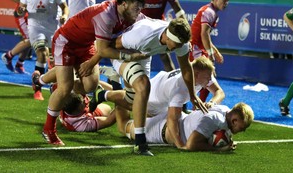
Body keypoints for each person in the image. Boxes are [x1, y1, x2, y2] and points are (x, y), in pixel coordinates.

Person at [38, 0, 148, 147]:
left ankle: (58, 77)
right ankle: (49, 129)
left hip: (86, 44)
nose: (138, 11)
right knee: (65, 88)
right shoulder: (106, 14)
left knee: (90, 85)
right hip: (66, 41)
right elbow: (104, 49)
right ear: (124, 4)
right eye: (136, 7)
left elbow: (144, 24)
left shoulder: (129, 14)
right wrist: (131, 56)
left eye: (140, 8)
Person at [90, 17, 208, 156]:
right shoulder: (142, 35)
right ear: (167, 36)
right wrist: (91, 63)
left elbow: (186, 69)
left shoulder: (179, 43)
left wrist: (193, 96)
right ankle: (140, 143)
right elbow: (107, 47)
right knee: (143, 84)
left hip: (143, 53)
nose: (177, 48)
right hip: (120, 51)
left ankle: (102, 94)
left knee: (133, 100)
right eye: (175, 44)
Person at [95, 56, 224, 148]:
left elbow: (219, 92)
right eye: (207, 77)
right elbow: (172, 120)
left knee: (126, 110)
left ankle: (113, 84)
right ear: (196, 75)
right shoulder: (180, 88)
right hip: (152, 100)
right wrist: (180, 145)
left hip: (161, 93)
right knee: (126, 113)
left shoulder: (202, 72)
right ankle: (104, 94)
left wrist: (212, 103)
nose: (209, 80)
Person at [17, 0, 69, 100]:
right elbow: (20, 9)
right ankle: (37, 89)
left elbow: (64, 6)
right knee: (42, 53)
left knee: (54, 58)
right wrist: (20, 11)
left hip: (52, 26)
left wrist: (64, 15)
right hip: (35, 27)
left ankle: (52, 85)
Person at [115, 102, 254, 152]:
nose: (243, 130)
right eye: (243, 127)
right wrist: (219, 149)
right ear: (235, 120)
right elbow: (191, 144)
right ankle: (112, 90)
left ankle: (113, 101)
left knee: (135, 112)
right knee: (123, 126)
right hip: (163, 130)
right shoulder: (214, 119)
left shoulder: (225, 110)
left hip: (175, 119)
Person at [137, 0, 186, 72]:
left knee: (164, 54)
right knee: (135, 52)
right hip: (143, 25)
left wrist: (185, 26)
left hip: (159, 25)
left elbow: (178, 9)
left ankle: (171, 76)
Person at [190, 0, 231, 104]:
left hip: (197, 49)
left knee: (204, 80)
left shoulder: (212, 12)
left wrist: (215, 51)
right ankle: (196, 108)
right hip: (195, 50)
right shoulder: (209, 12)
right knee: (206, 79)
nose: (226, 3)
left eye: (228, 1)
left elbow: (206, 36)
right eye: (225, 0)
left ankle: (195, 108)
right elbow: (204, 34)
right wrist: (211, 54)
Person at [1, 0, 40, 74]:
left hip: (35, 13)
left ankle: (19, 63)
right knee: (30, 39)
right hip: (22, 13)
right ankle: (8, 55)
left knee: (32, 40)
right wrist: (25, 4)